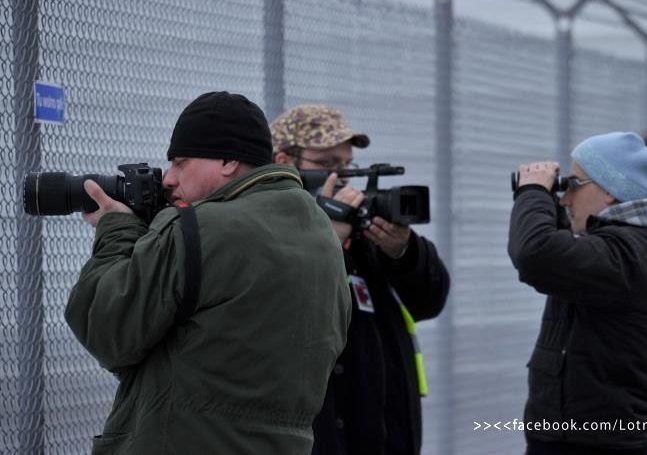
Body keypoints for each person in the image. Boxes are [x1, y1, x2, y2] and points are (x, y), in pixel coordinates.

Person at [64, 91, 351, 454]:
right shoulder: (320, 234)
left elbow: (107, 329)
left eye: (181, 162)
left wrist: (117, 231)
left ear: (229, 161)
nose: (168, 179)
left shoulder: (199, 228)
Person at [270, 104, 450, 455]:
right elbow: (280, 309)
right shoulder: (269, 230)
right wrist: (328, 238)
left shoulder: (365, 232)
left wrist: (403, 251)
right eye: (327, 165)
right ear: (284, 162)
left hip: (386, 435)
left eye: (346, 165)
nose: (343, 176)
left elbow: (431, 300)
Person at [507, 131, 647, 455]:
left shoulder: (633, 255)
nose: (565, 198)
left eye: (572, 186)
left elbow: (535, 254)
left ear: (608, 191)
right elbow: (563, 254)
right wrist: (547, 201)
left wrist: (533, 192)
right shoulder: (629, 247)